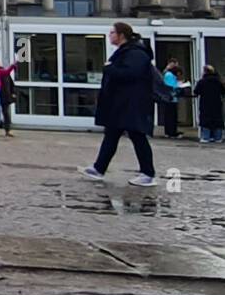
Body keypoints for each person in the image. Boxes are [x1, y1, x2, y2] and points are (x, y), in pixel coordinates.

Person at [79, 22, 157, 187]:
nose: (110, 35)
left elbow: (130, 74)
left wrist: (110, 69)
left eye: (112, 32)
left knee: (137, 136)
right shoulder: (126, 52)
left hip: (131, 103)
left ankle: (148, 173)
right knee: (111, 135)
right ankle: (98, 169)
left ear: (121, 35)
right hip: (121, 104)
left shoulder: (135, 53)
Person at [192, 65, 224, 143]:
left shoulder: (202, 81)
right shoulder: (218, 81)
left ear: (205, 72)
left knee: (206, 119)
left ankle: (206, 137)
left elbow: (196, 91)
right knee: (217, 119)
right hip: (216, 103)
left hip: (205, 103)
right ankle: (218, 137)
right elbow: (223, 91)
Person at [159, 60, 189, 138]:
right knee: (171, 116)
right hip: (171, 99)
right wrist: (180, 85)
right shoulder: (169, 75)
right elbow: (171, 87)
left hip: (170, 98)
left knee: (170, 116)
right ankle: (171, 132)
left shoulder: (169, 75)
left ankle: (170, 131)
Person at [0, 61, 18, 137]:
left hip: (4, 97)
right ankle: (7, 130)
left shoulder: (6, 75)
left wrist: (13, 93)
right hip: (2, 96)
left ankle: (7, 130)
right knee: (5, 113)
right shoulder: (2, 74)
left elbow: (12, 85)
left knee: (5, 113)